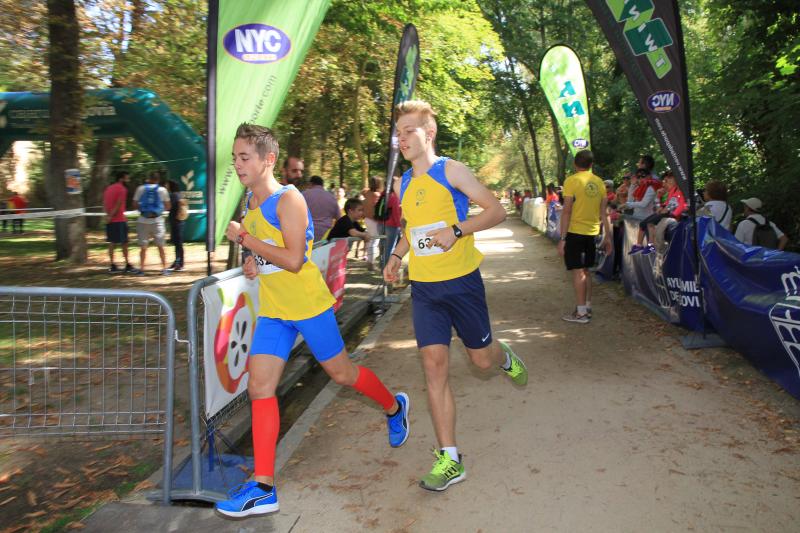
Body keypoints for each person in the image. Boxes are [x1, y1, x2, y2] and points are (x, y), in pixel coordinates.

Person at [215, 123, 409, 518]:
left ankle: (394, 407)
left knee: (342, 375)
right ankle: (264, 487)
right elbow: (269, 259)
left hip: (307, 306)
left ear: (268, 160)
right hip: (273, 310)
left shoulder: (289, 200)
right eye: (235, 157)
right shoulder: (250, 202)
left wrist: (243, 241)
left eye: (244, 157)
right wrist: (253, 264)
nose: (237, 164)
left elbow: (294, 259)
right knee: (260, 387)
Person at [383, 100, 528, 492]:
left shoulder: (452, 171)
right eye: (398, 133)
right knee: (433, 365)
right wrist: (397, 256)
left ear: (427, 134)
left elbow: (496, 211)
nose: (401, 139)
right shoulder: (404, 183)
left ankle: (504, 355)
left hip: (463, 282)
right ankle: (450, 458)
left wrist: (458, 230)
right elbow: (411, 228)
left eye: (408, 131)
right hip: (426, 289)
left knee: (481, 361)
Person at [557, 149, 612, 323]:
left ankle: (581, 313)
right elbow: (604, 213)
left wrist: (563, 238)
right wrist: (608, 237)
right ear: (591, 164)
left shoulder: (571, 181)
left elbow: (566, 211)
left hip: (575, 232)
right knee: (586, 271)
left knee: (578, 272)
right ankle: (587, 306)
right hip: (593, 232)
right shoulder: (600, 183)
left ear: (575, 164)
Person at [630, 171, 686, 255]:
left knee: (650, 223)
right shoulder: (673, 190)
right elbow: (667, 203)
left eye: (668, 179)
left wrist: (673, 213)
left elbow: (683, 205)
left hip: (672, 215)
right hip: (667, 213)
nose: (666, 182)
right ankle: (639, 245)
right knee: (643, 224)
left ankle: (651, 245)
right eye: (666, 180)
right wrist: (662, 206)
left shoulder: (683, 190)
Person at [132, 171, 171, 275]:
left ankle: (142, 269)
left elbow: (134, 204)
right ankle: (164, 269)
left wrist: (143, 210)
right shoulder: (162, 190)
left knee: (143, 248)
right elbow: (168, 206)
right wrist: (159, 210)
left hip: (142, 221)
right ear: (158, 179)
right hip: (157, 221)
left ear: (149, 178)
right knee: (161, 246)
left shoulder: (140, 188)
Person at [102, 171, 134, 273]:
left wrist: (107, 216)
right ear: (121, 179)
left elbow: (105, 203)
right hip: (119, 219)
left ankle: (112, 265)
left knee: (112, 243)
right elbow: (119, 203)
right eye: (127, 178)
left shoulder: (108, 188)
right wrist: (111, 216)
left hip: (110, 220)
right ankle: (127, 264)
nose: (128, 180)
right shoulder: (122, 189)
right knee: (124, 243)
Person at [302, 175, 341, 241]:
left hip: (306, 236)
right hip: (326, 237)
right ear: (322, 185)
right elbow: (339, 219)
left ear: (311, 184)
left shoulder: (303, 195)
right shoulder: (331, 197)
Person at [362, 176, 385, 270]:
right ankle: (371, 262)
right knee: (374, 241)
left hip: (367, 219)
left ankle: (370, 261)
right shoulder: (376, 195)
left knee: (371, 241)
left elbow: (363, 191)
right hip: (373, 220)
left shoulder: (367, 193)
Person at [382, 176, 403, 267]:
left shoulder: (385, 195)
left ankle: (384, 265)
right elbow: (396, 213)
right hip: (393, 226)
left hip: (386, 224)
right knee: (390, 248)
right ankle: (386, 267)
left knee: (387, 247)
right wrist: (400, 226)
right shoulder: (394, 197)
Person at [166, 180, 187, 271]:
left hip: (175, 222)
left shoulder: (173, 195)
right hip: (180, 221)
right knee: (178, 243)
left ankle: (179, 263)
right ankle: (177, 261)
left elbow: (169, 207)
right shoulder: (179, 194)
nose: (166, 186)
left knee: (178, 243)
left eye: (167, 185)